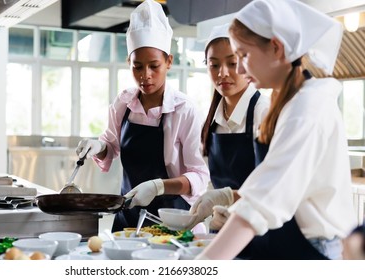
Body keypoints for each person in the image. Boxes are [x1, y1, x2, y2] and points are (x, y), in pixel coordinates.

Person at [195, 0, 356, 260]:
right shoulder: (284, 102)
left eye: (243, 56)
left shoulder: (307, 108)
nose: (241, 69)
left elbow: (265, 199)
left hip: (313, 250)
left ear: (277, 48)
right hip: (283, 240)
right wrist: (232, 201)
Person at [75, 0, 210, 232]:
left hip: (172, 220)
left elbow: (199, 176)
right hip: (128, 216)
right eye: (137, 67)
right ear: (129, 62)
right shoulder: (124, 102)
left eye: (154, 66)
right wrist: (97, 146)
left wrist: (158, 186)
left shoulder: (184, 110)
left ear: (169, 62)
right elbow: (111, 145)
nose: (145, 76)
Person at [188, 23, 270, 231]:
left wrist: (227, 199)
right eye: (214, 65)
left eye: (232, 63)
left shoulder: (264, 112)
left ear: (245, 63)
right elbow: (209, 182)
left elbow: (273, 187)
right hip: (222, 225)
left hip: (259, 228)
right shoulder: (210, 122)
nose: (222, 73)